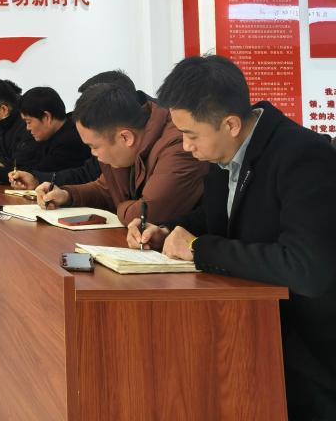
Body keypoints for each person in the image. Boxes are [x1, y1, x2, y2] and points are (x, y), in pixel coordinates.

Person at [128, 56, 336, 421]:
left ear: (230, 124)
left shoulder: (302, 155)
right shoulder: (226, 153)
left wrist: (198, 248)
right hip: (252, 333)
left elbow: (307, 269)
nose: (186, 146)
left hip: (309, 356)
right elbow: (219, 218)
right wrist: (165, 231)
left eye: (191, 135)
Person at [35, 82, 209, 225]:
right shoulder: (127, 148)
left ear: (125, 137)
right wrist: (66, 195)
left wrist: (119, 206)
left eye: (94, 146)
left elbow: (149, 214)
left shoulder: (179, 145)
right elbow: (105, 189)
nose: (93, 153)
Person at [10, 70, 147, 190]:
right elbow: (97, 182)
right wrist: (67, 195)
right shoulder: (93, 130)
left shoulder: (74, 137)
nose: (93, 152)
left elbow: (147, 207)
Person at [16, 86, 90, 174]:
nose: (27, 128)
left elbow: (34, 174)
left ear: (46, 117)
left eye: (28, 122)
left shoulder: (69, 143)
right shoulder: (54, 132)